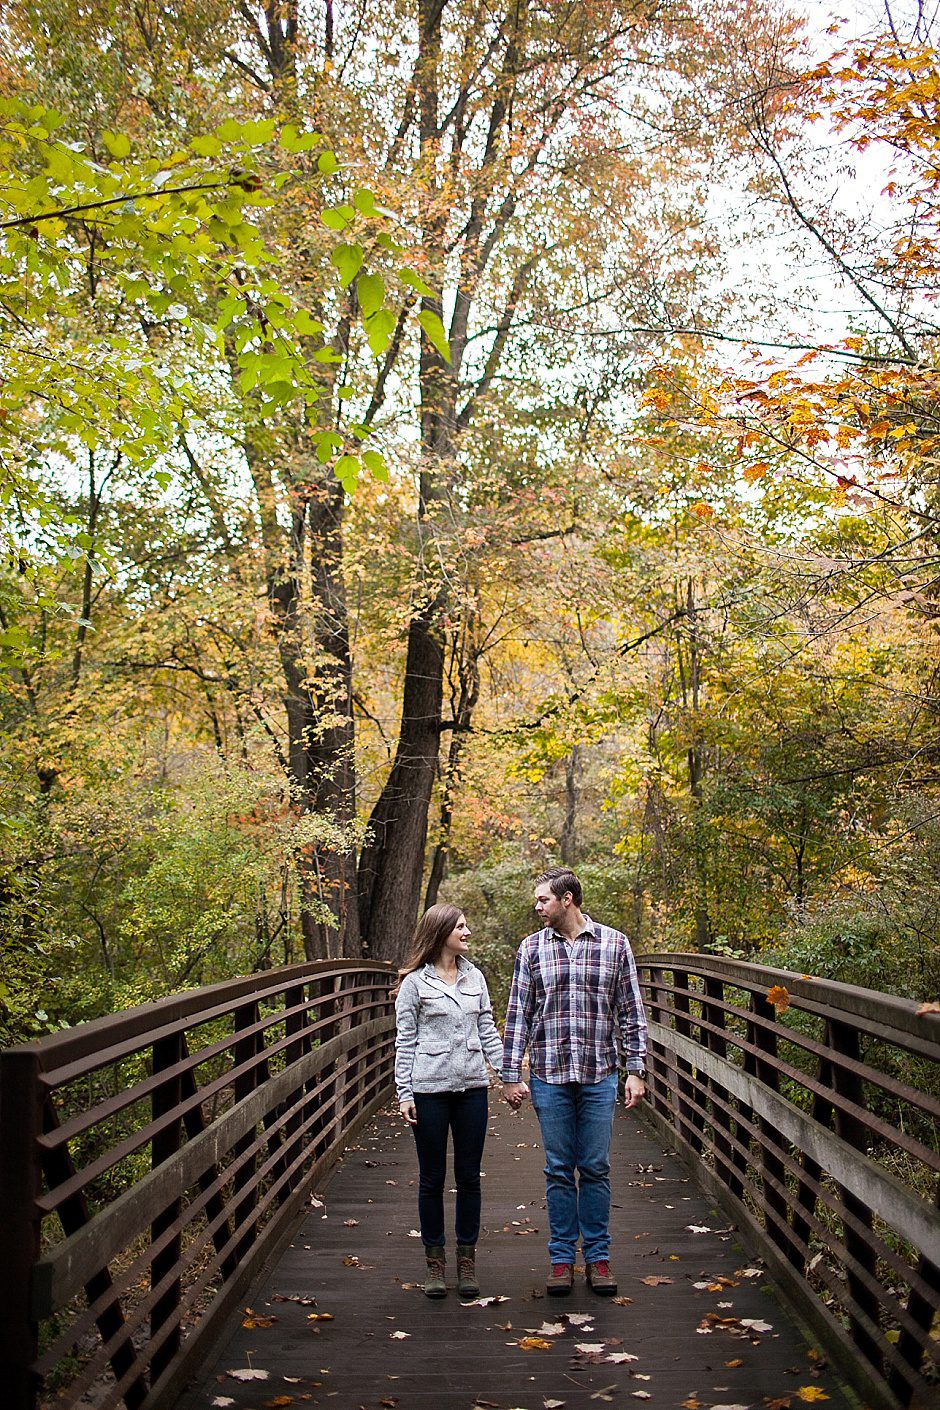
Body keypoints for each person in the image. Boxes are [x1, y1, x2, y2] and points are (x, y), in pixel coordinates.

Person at [502, 866, 648, 1297]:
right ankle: (562, 1258)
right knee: (559, 1170)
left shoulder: (615, 944)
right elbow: (517, 1016)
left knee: (596, 1167)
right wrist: (511, 1076)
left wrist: (636, 1069)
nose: (537, 907)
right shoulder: (531, 949)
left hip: (599, 1073)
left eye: (543, 899)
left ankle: (598, 1259)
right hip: (549, 1074)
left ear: (567, 899)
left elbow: (631, 1011)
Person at [394, 903, 506, 1300]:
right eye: (461, 926)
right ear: (441, 931)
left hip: (473, 1088)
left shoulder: (475, 977)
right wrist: (404, 1091)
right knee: (431, 1179)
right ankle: (435, 1263)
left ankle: (466, 1260)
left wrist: (508, 1076)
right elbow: (405, 1041)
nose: (468, 931)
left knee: (469, 1176)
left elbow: (488, 1031)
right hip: (429, 1091)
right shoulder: (414, 985)